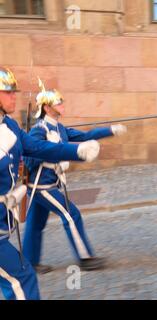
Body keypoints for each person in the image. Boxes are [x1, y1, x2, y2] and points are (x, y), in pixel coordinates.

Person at [0, 67, 99, 300]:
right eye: (7, 92)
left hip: (4, 224)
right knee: (22, 279)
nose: (14, 96)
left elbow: (37, 148)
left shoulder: (10, 125)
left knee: (23, 274)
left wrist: (77, 152)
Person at [22, 80, 127, 274]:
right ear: (47, 107)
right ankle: (85, 257)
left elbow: (85, 136)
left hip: (50, 183)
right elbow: (31, 156)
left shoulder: (60, 128)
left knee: (35, 224)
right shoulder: (38, 130)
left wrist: (110, 130)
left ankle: (30, 263)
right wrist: (52, 154)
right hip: (42, 186)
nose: (62, 106)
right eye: (58, 103)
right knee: (71, 214)